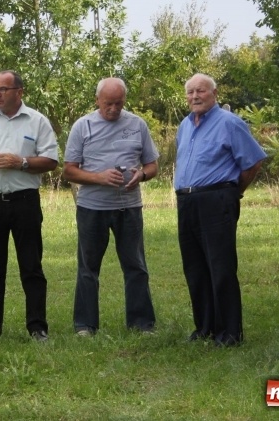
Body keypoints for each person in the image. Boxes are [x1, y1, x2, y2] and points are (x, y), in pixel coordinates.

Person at [0, 70, 58, 342]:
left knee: (31, 266)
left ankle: (37, 327)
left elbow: (51, 160)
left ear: (19, 92)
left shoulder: (37, 121)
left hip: (25, 202)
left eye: (3, 89)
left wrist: (23, 163)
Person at [174, 73, 267, 347]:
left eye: (200, 91)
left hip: (217, 199)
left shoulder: (230, 123)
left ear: (214, 93)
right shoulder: (185, 125)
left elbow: (253, 163)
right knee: (195, 267)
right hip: (187, 202)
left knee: (221, 266)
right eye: (190, 92)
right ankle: (204, 327)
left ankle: (229, 333)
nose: (194, 97)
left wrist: (233, 192)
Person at [63, 77, 159, 336]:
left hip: (129, 207)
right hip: (92, 208)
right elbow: (69, 171)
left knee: (136, 265)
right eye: (108, 103)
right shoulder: (82, 126)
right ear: (97, 100)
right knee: (88, 268)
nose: (114, 109)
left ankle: (142, 324)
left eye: (119, 103)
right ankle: (85, 325)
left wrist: (143, 175)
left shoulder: (137, 125)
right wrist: (99, 178)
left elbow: (152, 165)